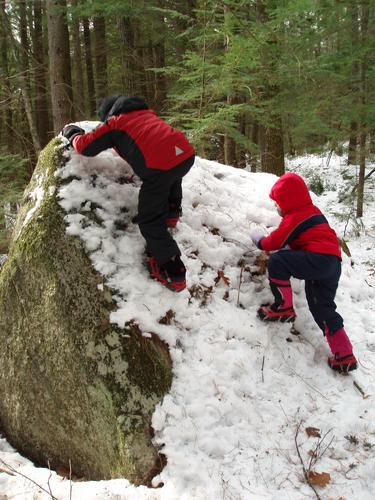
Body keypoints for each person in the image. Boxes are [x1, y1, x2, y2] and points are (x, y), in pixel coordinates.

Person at [62, 95, 195, 292]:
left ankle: (174, 272)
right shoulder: (145, 114)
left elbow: (85, 147)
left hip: (158, 168)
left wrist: (72, 134)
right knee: (173, 174)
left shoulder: (115, 124)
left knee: (150, 222)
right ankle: (172, 212)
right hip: (185, 154)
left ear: (108, 115)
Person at [250, 172, 357, 373]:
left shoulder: (296, 216)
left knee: (278, 260)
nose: (277, 208)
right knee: (322, 307)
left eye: (279, 203)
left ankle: (283, 307)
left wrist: (259, 240)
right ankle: (345, 355)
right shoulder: (313, 212)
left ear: (288, 201)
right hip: (332, 263)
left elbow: (276, 242)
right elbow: (305, 239)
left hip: (319, 259)